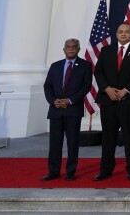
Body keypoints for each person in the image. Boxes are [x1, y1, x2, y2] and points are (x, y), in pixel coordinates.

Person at [93, 23, 130, 181]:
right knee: (108, 137)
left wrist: (126, 90)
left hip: (128, 100)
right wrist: (107, 89)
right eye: (121, 32)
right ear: (116, 34)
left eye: (127, 32)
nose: (123, 34)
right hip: (108, 100)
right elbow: (98, 71)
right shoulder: (106, 50)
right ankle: (105, 170)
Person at [41, 38, 92, 181]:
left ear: (78, 50)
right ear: (64, 49)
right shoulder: (55, 66)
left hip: (73, 110)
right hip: (56, 109)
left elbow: (86, 86)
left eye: (74, 47)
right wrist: (53, 101)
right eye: (68, 47)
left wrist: (69, 101)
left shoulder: (85, 66)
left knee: (72, 143)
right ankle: (53, 171)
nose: (71, 49)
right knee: (55, 144)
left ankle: (70, 172)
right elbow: (47, 86)